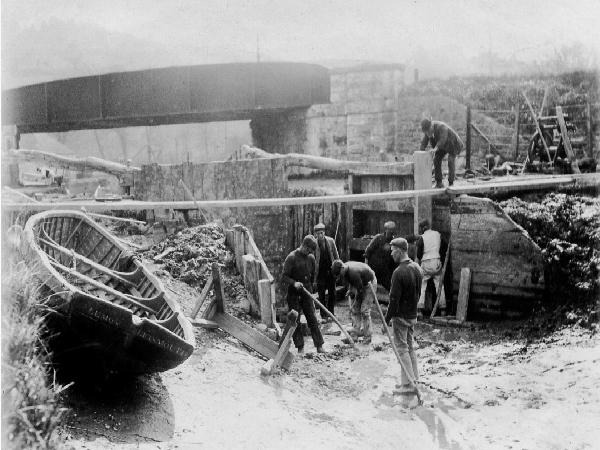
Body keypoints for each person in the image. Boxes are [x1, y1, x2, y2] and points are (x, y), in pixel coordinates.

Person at [384, 238, 422, 395]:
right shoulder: (417, 268)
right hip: (412, 315)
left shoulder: (399, 272)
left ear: (399, 250)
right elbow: (418, 294)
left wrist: (386, 320)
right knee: (409, 347)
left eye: (392, 250)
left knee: (402, 349)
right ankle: (414, 380)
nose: (391, 253)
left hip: (400, 317)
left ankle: (407, 385)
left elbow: (393, 300)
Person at [281, 235, 326, 354]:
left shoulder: (311, 258)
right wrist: (294, 283)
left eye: (311, 251)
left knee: (312, 318)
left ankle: (319, 345)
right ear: (304, 246)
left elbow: (312, 277)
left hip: (307, 293)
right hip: (294, 294)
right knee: (296, 321)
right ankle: (300, 347)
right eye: (309, 250)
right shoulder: (291, 258)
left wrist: (310, 289)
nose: (309, 253)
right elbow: (283, 277)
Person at [331, 259, 377, 344]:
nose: (339, 276)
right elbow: (352, 282)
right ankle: (354, 336)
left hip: (369, 284)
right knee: (354, 311)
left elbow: (360, 291)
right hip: (360, 283)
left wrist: (355, 302)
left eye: (339, 274)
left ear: (342, 268)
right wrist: (350, 290)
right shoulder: (345, 269)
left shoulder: (353, 272)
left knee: (364, 311)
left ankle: (367, 338)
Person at [416, 219, 447, 316]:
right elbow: (443, 247)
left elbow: (419, 255)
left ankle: (420, 310)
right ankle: (443, 309)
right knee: (440, 286)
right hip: (437, 262)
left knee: (422, 285)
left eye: (420, 228)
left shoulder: (422, 238)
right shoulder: (438, 234)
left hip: (426, 263)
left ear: (423, 227)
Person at [420, 118, 464, 189]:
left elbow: (443, 139)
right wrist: (420, 152)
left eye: (428, 131)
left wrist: (435, 148)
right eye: (426, 132)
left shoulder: (441, 127)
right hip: (442, 146)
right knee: (436, 160)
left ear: (431, 125)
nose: (428, 134)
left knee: (450, 160)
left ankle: (451, 183)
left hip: (452, 143)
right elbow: (424, 142)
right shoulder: (428, 132)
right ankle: (439, 183)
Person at [312, 223, 340, 322]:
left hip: (330, 272)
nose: (321, 235)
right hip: (320, 273)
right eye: (319, 233)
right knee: (322, 294)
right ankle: (323, 315)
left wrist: (337, 270)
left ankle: (331, 313)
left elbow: (336, 257)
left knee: (332, 293)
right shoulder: (314, 244)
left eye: (322, 232)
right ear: (315, 234)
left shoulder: (331, 241)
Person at [364, 221, 397, 291]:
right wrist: (366, 268)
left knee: (391, 287)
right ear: (386, 229)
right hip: (373, 270)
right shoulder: (378, 238)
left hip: (384, 272)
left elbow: (394, 261)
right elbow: (367, 252)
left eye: (392, 230)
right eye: (389, 230)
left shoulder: (394, 242)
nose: (391, 232)